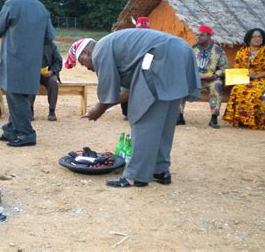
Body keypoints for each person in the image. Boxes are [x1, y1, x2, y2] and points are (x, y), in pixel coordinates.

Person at [74, 28, 200, 188]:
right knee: (164, 120)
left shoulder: (100, 50)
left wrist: (98, 109)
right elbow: (127, 92)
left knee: (143, 117)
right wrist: (102, 107)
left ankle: (136, 176)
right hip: (181, 52)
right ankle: (160, 170)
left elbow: (108, 91)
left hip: (159, 57)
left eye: (82, 63)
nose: (87, 68)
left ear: (86, 52)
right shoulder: (120, 48)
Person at [0, 0, 56, 147]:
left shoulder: (11, 5)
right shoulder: (42, 9)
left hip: (13, 61)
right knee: (19, 96)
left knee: (15, 96)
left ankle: (27, 134)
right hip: (32, 63)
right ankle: (11, 129)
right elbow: (50, 36)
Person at [223, 28, 265, 129]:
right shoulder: (242, 52)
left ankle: (257, 121)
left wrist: (256, 75)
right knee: (237, 89)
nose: (257, 38)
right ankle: (241, 120)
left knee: (254, 91)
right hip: (244, 78)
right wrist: (247, 74)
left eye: (259, 36)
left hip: (263, 79)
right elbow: (237, 67)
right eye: (254, 37)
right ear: (248, 39)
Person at [178, 25, 228, 128]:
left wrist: (215, 75)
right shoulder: (191, 49)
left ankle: (214, 118)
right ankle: (179, 116)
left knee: (217, 85)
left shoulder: (218, 51)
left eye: (202, 35)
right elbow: (184, 65)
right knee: (180, 85)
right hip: (193, 78)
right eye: (197, 35)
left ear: (209, 37)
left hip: (211, 79)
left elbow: (224, 68)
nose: (198, 37)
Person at [120, 16, 151, 119]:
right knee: (124, 88)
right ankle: (127, 112)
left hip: (145, 71)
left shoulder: (152, 40)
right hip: (129, 71)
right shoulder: (129, 40)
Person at [30, 41, 62, 121]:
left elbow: (58, 61)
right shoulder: (29, 43)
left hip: (48, 73)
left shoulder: (51, 45)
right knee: (30, 82)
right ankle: (29, 111)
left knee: (53, 82)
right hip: (32, 73)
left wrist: (51, 72)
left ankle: (52, 111)